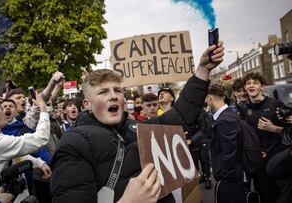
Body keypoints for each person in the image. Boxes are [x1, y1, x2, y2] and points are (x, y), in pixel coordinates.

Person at [50, 42, 225, 202]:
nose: (113, 96)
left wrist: (202, 70)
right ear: (87, 104)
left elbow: (178, 117)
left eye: (117, 90)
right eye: (103, 92)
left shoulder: (135, 128)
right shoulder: (73, 143)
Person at [239, 72, 288, 203]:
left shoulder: (275, 105)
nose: (251, 85)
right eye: (248, 83)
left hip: (277, 158)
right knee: (264, 195)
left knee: (282, 195)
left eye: (255, 82)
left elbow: (289, 132)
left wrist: (273, 128)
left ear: (262, 86)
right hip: (258, 160)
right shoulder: (243, 109)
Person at [206, 83, 245, 203]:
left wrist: (223, 175)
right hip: (231, 176)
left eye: (206, 99)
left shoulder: (225, 119)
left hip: (230, 179)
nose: (206, 102)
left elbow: (229, 153)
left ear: (210, 98)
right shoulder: (225, 115)